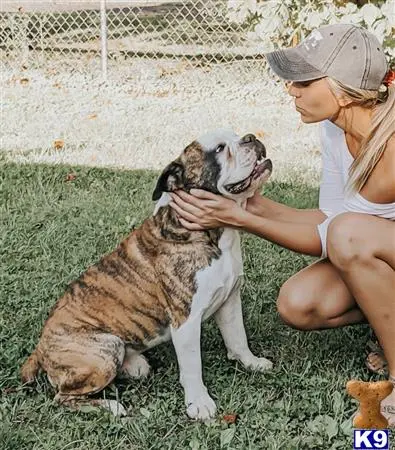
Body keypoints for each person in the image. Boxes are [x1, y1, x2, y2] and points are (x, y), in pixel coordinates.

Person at [168, 23, 395, 424]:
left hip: (369, 241)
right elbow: (331, 218)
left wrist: (238, 217)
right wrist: (248, 203)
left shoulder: (390, 144)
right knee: (299, 304)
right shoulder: (335, 127)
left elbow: (337, 235)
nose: (291, 89)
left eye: (304, 81)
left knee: (349, 237)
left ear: (341, 89)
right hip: (377, 242)